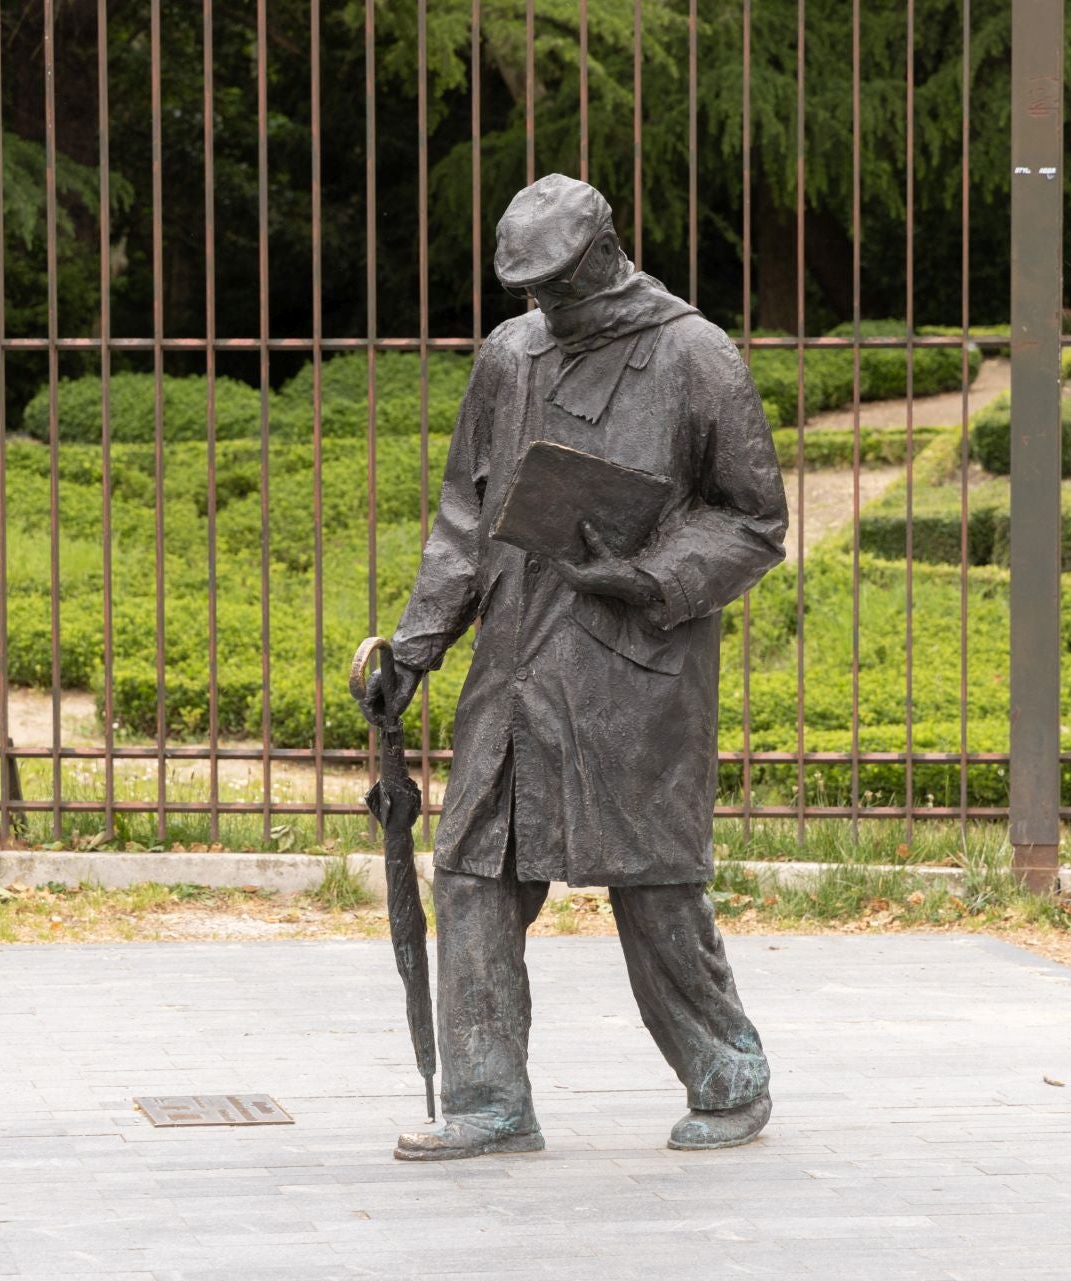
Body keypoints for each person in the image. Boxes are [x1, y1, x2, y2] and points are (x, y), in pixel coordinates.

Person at [360, 173, 788, 1161]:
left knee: (653, 884)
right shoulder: (509, 359)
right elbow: (465, 521)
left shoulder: (694, 355)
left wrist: (641, 574)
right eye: (533, 292)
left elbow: (754, 521)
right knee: (471, 873)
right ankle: (488, 1098)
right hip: (514, 669)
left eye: (561, 285)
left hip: (634, 670)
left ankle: (728, 1072)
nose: (547, 309)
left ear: (602, 254)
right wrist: (417, 647)